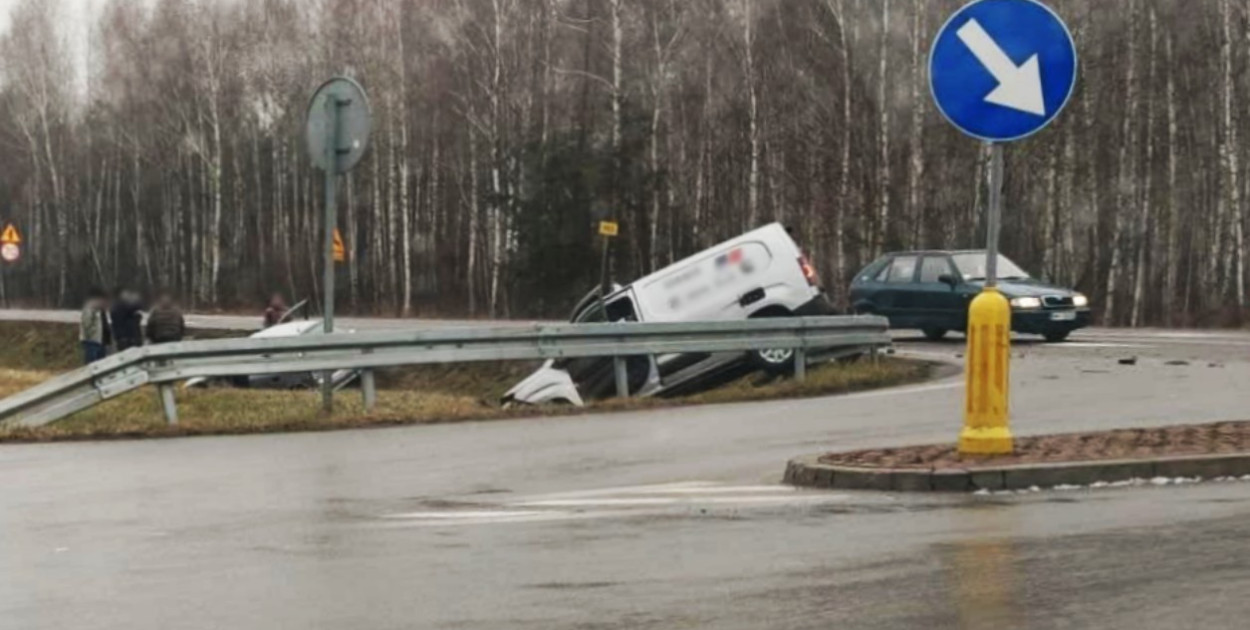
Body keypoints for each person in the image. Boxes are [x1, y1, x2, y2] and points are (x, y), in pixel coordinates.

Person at [79, 289, 110, 364]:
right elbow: (86, 324)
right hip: (92, 341)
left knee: (101, 365)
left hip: (101, 341)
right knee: (91, 364)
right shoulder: (90, 308)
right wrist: (91, 336)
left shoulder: (102, 309)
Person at [110, 288, 145, 352]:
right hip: (126, 339)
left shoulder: (121, 307)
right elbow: (119, 323)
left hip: (129, 337)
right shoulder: (119, 307)